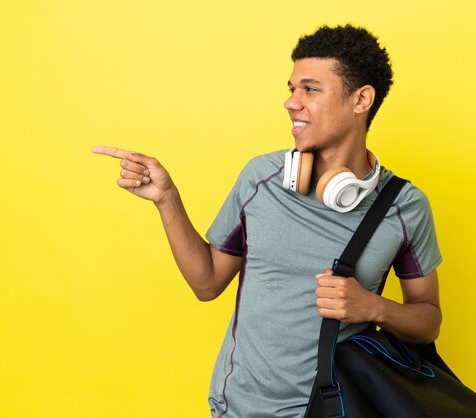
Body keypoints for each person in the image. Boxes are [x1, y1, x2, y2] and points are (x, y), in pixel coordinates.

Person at [92, 24, 442, 418]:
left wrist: (372, 308)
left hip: (329, 411)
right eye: (291, 89)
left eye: (310, 89)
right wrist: (166, 198)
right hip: (234, 408)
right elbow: (207, 283)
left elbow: (428, 319)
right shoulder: (261, 178)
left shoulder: (404, 206)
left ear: (361, 99)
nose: (291, 103)